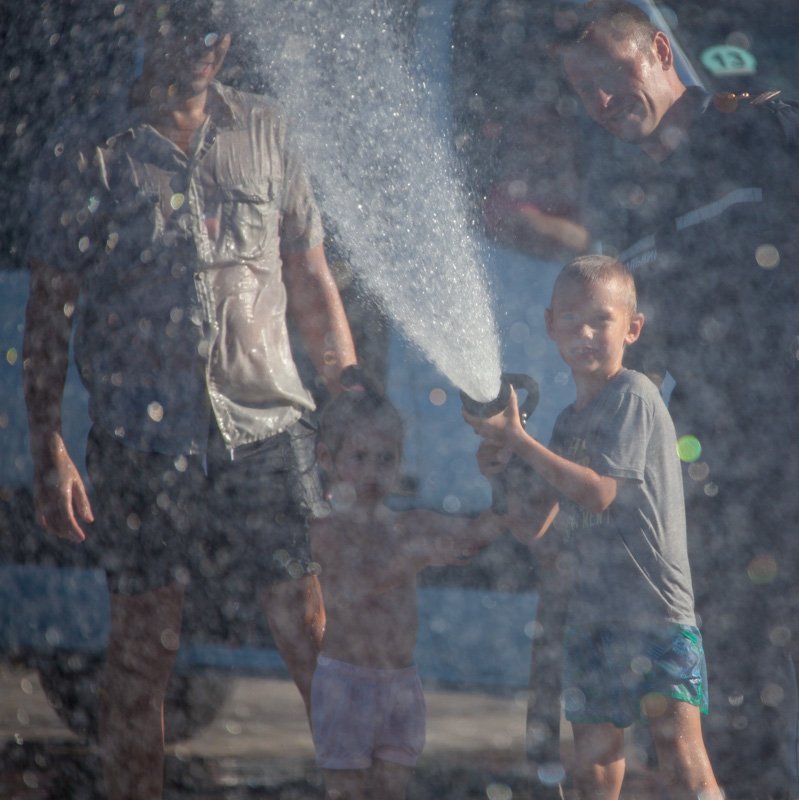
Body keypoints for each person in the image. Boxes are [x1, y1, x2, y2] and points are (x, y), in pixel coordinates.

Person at [557, 3, 799, 798]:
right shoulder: (625, 199)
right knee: (745, 707)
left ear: (658, 52)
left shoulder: (770, 130)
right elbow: (616, 348)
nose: (603, 103)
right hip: (718, 476)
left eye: (612, 77)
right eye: (584, 92)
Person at [21, 1, 358, 797]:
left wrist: (350, 395)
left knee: (311, 632)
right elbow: (50, 304)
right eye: (185, 25)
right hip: (144, 432)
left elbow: (310, 275)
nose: (206, 44)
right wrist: (47, 443)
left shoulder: (268, 129)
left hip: (265, 422)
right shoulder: (94, 148)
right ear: (142, 24)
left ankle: (361, 790)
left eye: (218, 28)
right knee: (145, 643)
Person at [467, 255, 723, 800]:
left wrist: (521, 443)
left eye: (600, 320)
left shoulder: (633, 395)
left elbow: (600, 492)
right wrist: (503, 469)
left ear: (632, 328)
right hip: (594, 617)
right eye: (570, 320)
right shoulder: (567, 422)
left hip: (657, 614)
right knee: (595, 767)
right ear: (549, 324)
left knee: (681, 760)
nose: (584, 333)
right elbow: (539, 524)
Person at [310, 387, 504, 800]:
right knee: (346, 792)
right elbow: (353, 587)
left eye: (386, 459)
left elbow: (473, 535)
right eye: (359, 458)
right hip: (345, 685)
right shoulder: (326, 531)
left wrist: (508, 486)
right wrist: (412, 560)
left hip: (400, 685)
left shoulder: (409, 524)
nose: (373, 472)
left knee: (391, 792)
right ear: (327, 459)